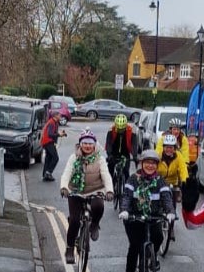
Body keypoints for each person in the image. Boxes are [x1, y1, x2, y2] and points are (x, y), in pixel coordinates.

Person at [117, 149, 176, 272]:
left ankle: (149, 256)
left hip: (153, 217)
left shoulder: (160, 181)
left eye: (153, 163)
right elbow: (126, 196)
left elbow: (167, 198)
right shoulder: (133, 179)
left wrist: (170, 212)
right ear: (141, 164)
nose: (150, 166)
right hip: (134, 218)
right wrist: (124, 210)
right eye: (147, 163)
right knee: (135, 246)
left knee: (158, 237)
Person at [60, 129, 113, 264]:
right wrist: (64, 187)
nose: (88, 146)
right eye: (85, 143)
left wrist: (109, 190)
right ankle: (70, 248)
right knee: (74, 221)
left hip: (95, 190)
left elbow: (106, 175)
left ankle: (94, 224)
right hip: (76, 191)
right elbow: (67, 173)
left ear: (94, 145)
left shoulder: (99, 159)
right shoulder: (74, 157)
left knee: (98, 206)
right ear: (80, 144)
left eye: (90, 143)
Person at [158, 133, 189, 205]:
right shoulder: (159, 155)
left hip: (172, 184)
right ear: (163, 147)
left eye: (171, 147)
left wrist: (185, 183)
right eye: (166, 147)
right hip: (159, 183)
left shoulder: (178, 156)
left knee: (172, 204)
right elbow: (153, 168)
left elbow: (183, 170)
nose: (168, 149)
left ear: (175, 148)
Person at [105, 113, 137, 181]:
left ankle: (126, 188)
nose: (120, 131)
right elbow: (109, 143)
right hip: (114, 152)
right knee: (110, 169)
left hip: (125, 152)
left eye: (122, 129)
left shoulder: (131, 130)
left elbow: (134, 144)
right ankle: (110, 186)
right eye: (118, 129)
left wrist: (134, 156)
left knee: (126, 171)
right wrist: (109, 154)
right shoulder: (111, 129)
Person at [41, 110, 65, 181]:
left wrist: (60, 134)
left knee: (48, 158)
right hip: (48, 142)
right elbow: (50, 134)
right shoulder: (52, 123)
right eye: (59, 115)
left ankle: (45, 174)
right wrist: (59, 134)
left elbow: (52, 132)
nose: (60, 116)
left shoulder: (54, 122)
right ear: (55, 116)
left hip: (46, 142)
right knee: (55, 158)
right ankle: (48, 173)